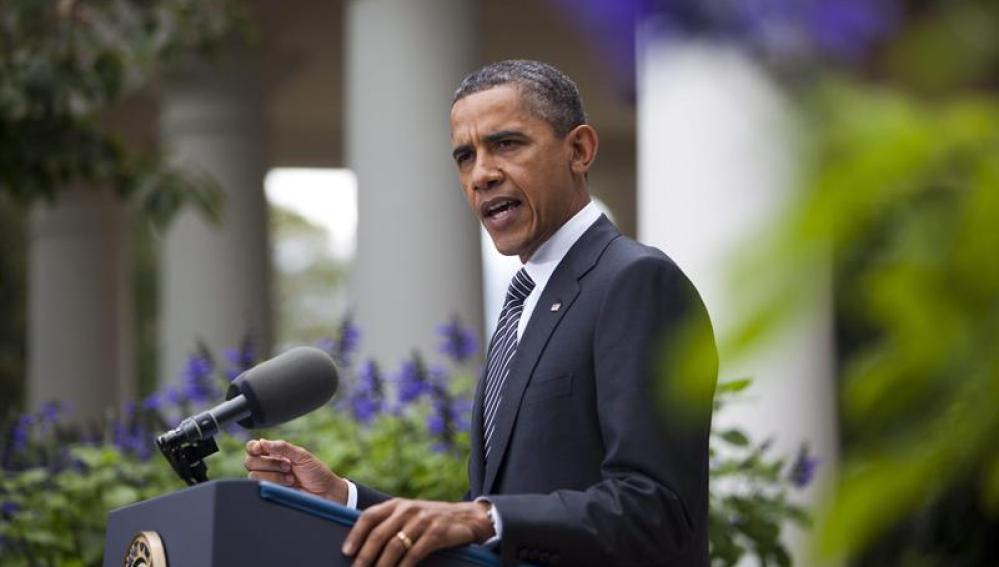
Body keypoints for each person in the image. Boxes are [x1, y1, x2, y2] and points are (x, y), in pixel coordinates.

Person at [244, 59, 717, 567]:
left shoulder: (634, 281)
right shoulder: (524, 306)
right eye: (465, 157)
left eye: (507, 144)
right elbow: (489, 522)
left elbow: (659, 510)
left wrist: (485, 517)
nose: (482, 175)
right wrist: (345, 500)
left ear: (579, 150)